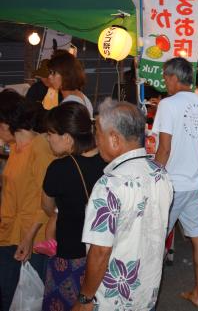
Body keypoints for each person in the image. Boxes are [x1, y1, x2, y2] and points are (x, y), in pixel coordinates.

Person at [74, 99, 173, 311]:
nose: (96, 140)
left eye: (98, 133)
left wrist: (85, 298)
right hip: (147, 291)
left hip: (113, 299)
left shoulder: (109, 185)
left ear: (114, 139)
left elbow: (100, 251)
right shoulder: (160, 173)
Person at [152, 57, 198, 308]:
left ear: (174, 78)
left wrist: (153, 178)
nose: (165, 82)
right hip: (196, 183)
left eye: (165, 77)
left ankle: (148, 295)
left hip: (172, 186)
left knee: (155, 241)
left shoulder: (168, 105)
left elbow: (164, 149)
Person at [41, 102, 106, 310]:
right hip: (102, 254)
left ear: (67, 138)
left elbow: (47, 206)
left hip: (69, 255)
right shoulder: (109, 161)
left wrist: (59, 213)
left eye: (51, 134)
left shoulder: (58, 169)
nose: (48, 138)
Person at [0, 91, 55, 310]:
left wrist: (29, 238)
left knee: (24, 297)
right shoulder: (15, 147)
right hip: (9, 231)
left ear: (5, 123)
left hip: (29, 235)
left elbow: (47, 197)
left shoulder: (39, 147)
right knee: (7, 295)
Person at [47, 51, 93, 115]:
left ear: (65, 74)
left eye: (53, 73)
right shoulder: (83, 98)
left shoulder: (69, 106)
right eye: (49, 73)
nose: (49, 77)